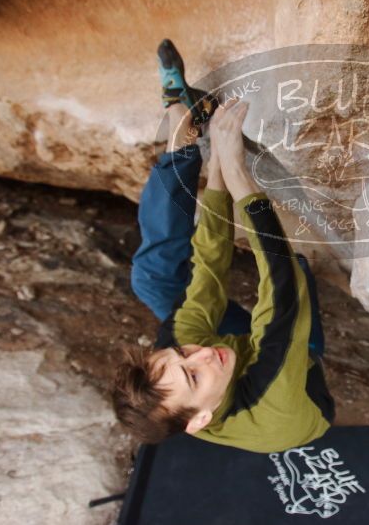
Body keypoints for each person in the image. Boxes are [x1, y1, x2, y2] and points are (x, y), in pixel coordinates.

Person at [112, 40, 334, 453]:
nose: (200, 356)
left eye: (180, 354)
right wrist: (236, 169)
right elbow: (281, 287)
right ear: (199, 421)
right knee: (290, 272)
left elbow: (209, 269)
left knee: (153, 280)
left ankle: (181, 124)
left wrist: (215, 165)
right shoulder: (271, 402)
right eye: (192, 377)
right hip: (297, 361)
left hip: (244, 352)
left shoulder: (191, 353)